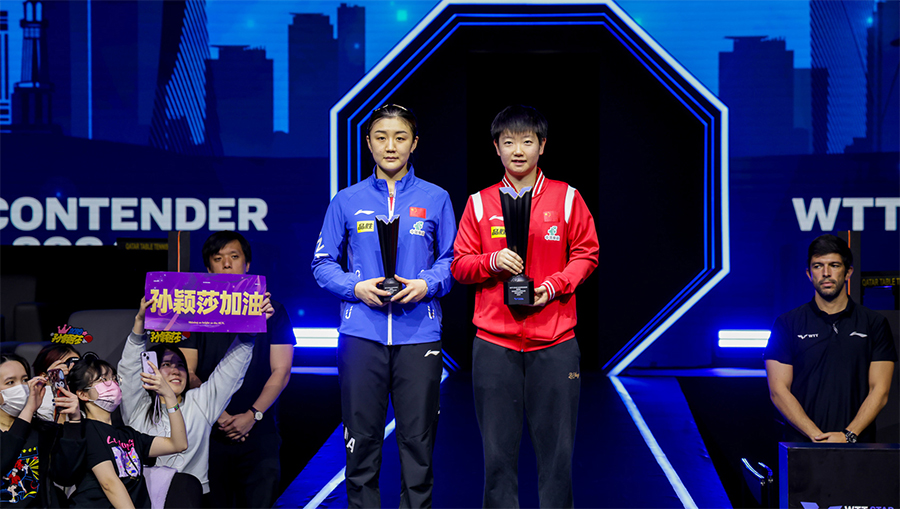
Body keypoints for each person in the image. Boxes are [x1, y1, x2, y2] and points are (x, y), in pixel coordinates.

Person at [451, 105, 599, 508]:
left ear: (542, 146)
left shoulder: (567, 198)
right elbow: (460, 266)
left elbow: (587, 254)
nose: (518, 150)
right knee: (497, 458)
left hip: (555, 341)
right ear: (496, 147)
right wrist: (491, 262)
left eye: (527, 142)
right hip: (494, 343)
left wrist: (553, 287)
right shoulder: (479, 203)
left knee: (557, 458)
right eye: (509, 142)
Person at [311, 104, 456, 507]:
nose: (390, 146)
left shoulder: (436, 198)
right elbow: (322, 263)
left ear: (414, 143)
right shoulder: (346, 200)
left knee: (418, 445)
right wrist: (355, 287)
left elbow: (452, 260)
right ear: (369, 143)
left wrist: (426, 284)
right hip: (361, 335)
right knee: (361, 444)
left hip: (419, 335)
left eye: (400, 137)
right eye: (381, 137)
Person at [180, 231, 293, 508]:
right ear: (208, 269)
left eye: (234, 256)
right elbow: (187, 373)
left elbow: (281, 371)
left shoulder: (273, 311)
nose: (227, 264)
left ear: (247, 264)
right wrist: (219, 415)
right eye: (218, 259)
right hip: (207, 429)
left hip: (259, 430)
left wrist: (252, 415)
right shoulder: (192, 311)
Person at [117, 297, 257, 506]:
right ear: (150, 369)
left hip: (188, 498)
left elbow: (230, 371)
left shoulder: (199, 402)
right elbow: (129, 369)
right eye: (166, 364)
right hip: (142, 497)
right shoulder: (139, 405)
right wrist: (139, 323)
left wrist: (249, 332)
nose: (175, 370)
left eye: (180, 365)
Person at [764, 234, 897, 443]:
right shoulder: (787, 323)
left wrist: (848, 435)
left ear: (848, 272)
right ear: (809, 273)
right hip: (802, 446)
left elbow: (879, 391)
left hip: (859, 447)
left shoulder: (874, 323)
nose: (826, 273)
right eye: (818, 266)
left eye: (834, 265)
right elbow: (778, 391)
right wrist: (816, 436)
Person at [64, 353, 188, 507]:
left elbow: (179, 444)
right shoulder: (86, 430)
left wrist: (169, 396)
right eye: (103, 380)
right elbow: (109, 483)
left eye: (114, 378)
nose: (112, 384)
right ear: (82, 394)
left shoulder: (128, 434)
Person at [1, 353, 82, 507]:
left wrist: (74, 420)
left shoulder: (42, 431)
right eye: (10, 382)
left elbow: (65, 476)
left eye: (25, 380)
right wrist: (29, 409)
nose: (22, 387)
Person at [32, 344, 81, 423]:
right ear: (43, 375)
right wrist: (52, 382)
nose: (71, 370)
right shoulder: (36, 402)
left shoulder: (83, 395)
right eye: (65, 365)